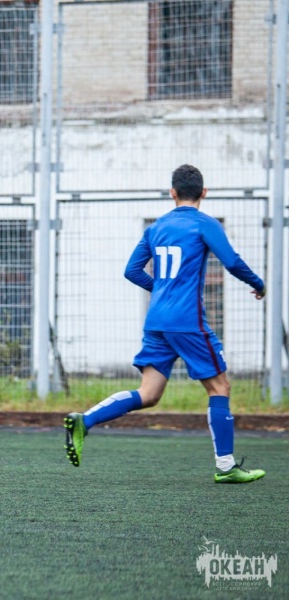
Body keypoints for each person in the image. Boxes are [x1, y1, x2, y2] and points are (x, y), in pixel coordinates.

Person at [64, 164, 266, 484]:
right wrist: (258, 284)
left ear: (172, 193)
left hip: (156, 320)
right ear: (204, 192)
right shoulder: (204, 223)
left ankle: (84, 421)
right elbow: (231, 261)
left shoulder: (155, 227)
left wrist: (159, 289)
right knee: (220, 387)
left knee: (149, 393)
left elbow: (132, 271)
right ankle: (226, 466)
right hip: (187, 322)